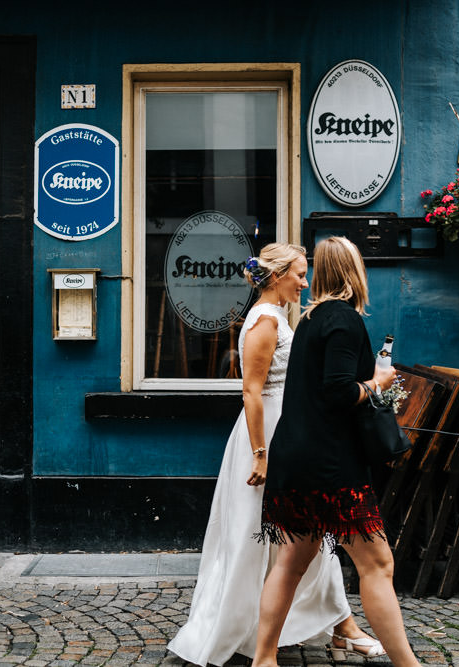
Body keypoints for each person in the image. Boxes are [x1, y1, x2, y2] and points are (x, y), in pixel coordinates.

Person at [167, 243, 384, 666]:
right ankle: (258, 629)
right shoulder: (265, 320)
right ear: (279, 275)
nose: (305, 283)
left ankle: (341, 623)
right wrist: (260, 454)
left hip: (293, 431)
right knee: (261, 540)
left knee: (308, 536)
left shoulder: (283, 317)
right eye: (299, 275)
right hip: (267, 435)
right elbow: (251, 391)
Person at [252, 236, 420, 667]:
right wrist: (379, 384)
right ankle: (408, 665)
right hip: (330, 468)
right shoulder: (344, 320)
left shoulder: (311, 319)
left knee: (289, 563)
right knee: (378, 564)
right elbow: (339, 393)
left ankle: (264, 659)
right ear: (354, 271)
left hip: (296, 457)